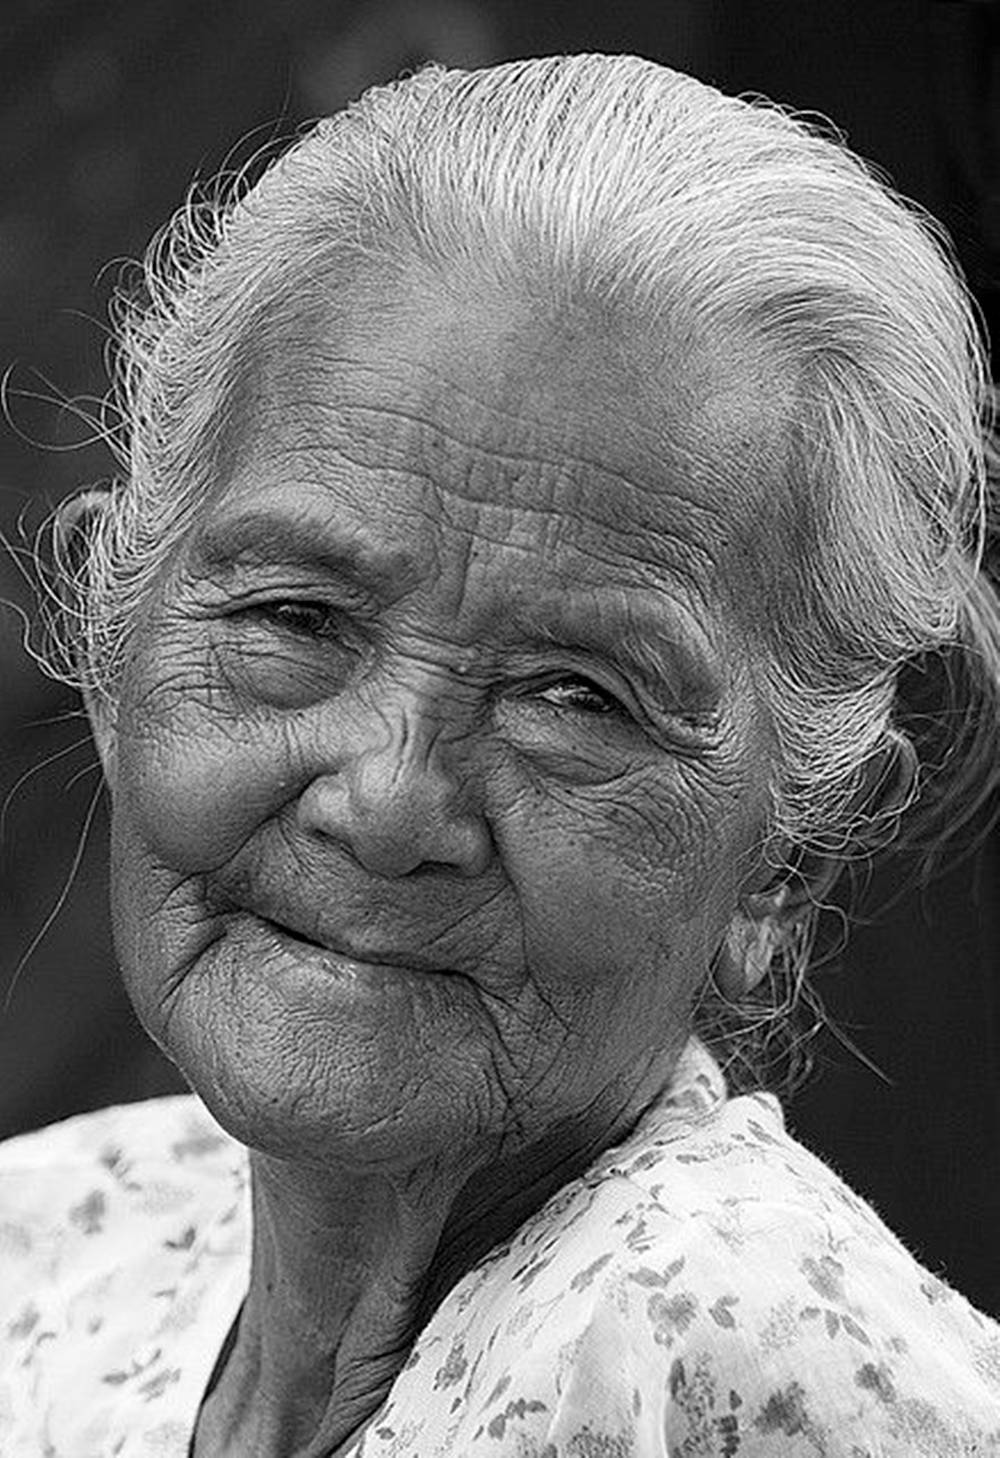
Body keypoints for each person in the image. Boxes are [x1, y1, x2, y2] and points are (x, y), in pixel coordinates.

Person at [1, 52, 998, 1457]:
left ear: (783, 861)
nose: (392, 799)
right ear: (117, 655)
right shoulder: (56, 1251)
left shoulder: (720, 1357)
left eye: (578, 698)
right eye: (296, 617)